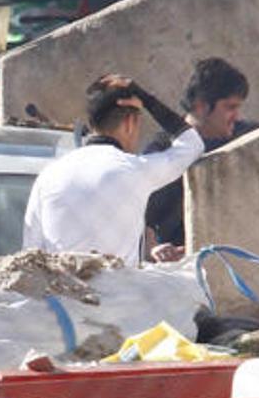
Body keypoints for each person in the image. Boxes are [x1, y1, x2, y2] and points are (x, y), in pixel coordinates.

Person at [22, 74, 205, 266]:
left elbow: (31, 252)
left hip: (60, 292)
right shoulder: (134, 171)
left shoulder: (49, 175)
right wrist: (146, 99)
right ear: (130, 123)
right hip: (119, 293)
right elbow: (192, 144)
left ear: (92, 124)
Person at [144, 58, 256, 263]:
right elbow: (141, 216)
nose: (236, 115)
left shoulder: (247, 138)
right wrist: (154, 250)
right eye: (229, 107)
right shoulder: (163, 152)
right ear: (201, 106)